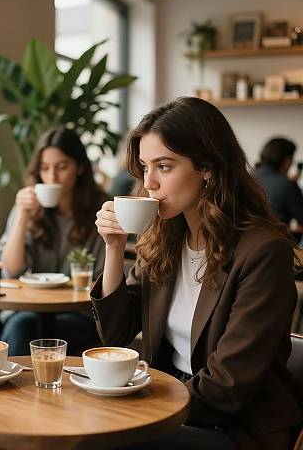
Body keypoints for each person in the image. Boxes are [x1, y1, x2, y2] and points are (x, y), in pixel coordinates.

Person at [93, 97, 303, 450]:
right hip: (170, 397)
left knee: (108, 439)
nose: (150, 183)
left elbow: (228, 385)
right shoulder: (165, 239)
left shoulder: (263, 251)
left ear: (207, 167)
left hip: (236, 426)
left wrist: (147, 409)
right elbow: (114, 334)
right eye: (145, 168)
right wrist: (114, 248)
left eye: (164, 166)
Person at [0, 127, 108, 356]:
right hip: (26, 310)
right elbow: (10, 270)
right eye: (45, 169)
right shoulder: (27, 208)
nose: (52, 177)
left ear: (80, 167)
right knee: (21, 328)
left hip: (79, 312)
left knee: (70, 329)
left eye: (62, 167)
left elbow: (102, 280)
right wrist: (22, 216)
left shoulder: (100, 210)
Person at [255, 137, 303, 241]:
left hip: (246, 245)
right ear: (286, 160)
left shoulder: (248, 177)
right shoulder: (287, 185)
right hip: (277, 244)